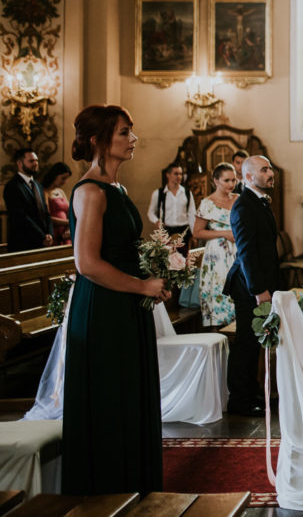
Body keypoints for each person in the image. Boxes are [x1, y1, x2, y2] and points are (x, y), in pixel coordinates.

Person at [62, 105, 170, 494]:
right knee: (109, 400)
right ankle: (106, 493)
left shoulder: (118, 189)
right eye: (124, 132)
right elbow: (87, 263)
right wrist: (142, 286)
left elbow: (122, 250)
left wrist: (154, 278)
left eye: (131, 131)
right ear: (98, 141)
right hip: (103, 310)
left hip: (126, 305)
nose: (133, 139)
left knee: (130, 397)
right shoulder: (90, 192)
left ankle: (135, 487)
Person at [224, 155, 280, 416]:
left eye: (270, 168)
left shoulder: (260, 202)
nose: (271, 173)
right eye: (264, 169)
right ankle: (239, 401)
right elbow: (246, 252)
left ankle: (253, 391)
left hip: (257, 281)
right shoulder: (243, 206)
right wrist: (259, 290)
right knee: (246, 341)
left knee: (256, 340)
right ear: (248, 177)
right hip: (247, 284)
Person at [192, 162, 238, 327]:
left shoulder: (239, 200)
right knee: (220, 289)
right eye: (227, 180)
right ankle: (219, 330)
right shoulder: (207, 203)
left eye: (234, 180)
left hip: (237, 252)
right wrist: (224, 233)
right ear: (216, 181)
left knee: (239, 292)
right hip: (217, 255)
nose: (231, 184)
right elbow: (197, 232)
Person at [3, 148, 54, 251]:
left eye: (37, 161)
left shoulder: (38, 185)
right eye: (31, 161)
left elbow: (45, 212)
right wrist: (41, 236)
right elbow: (20, 216)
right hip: (23, 244)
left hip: (43, 243)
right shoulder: (12, 186)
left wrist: (50, 234)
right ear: (19, 163)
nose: (36, 163)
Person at [147, 162, 196, 248]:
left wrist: (194, 234)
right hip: (166, 232)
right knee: (167, 259)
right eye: (176, 174)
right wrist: (156, 221)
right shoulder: (158, 193)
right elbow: (150, 212)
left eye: (181, 174)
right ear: (168, 175)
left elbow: (192, 215)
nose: (179, 177)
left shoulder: (187, 193)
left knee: (184, 259)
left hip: (184, 232)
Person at [42, 161, 73, 245]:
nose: (65, 182)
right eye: (63, 178)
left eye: (66, 179)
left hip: (65, 232)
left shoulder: (61, 191)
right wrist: (69, 222)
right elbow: (47, 217)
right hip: (54, 231)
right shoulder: (45, 192)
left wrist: (69, 228)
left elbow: (69, 212)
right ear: (54, 175)